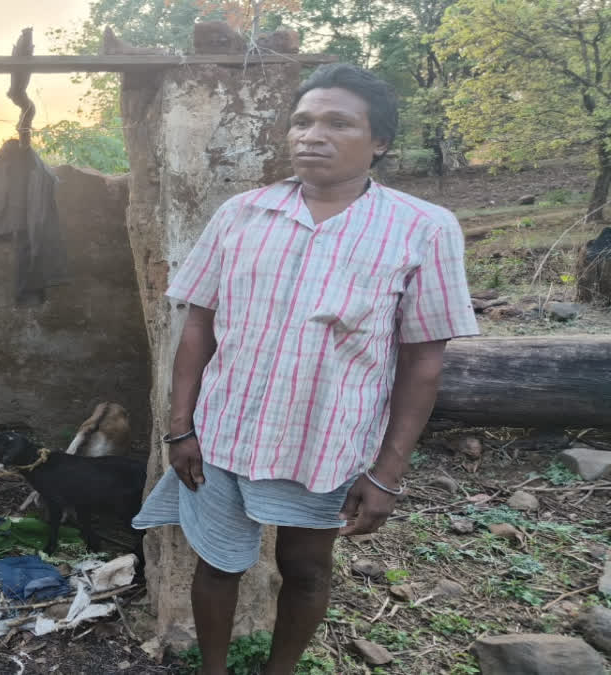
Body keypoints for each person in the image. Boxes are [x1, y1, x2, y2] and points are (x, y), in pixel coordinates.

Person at [132, 63, 479, 675]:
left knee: (307, 567)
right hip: (223, 432)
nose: (311, 135)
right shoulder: (242, 214)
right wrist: (182, 428)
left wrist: (388, 472)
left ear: (379, 143)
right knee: (217, 561)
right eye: (302, 121)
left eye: (337, 123)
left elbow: (424, 361)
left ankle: (280, 669)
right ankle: (214, 669)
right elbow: (198, 325)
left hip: (325, 439)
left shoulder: (422, 229)